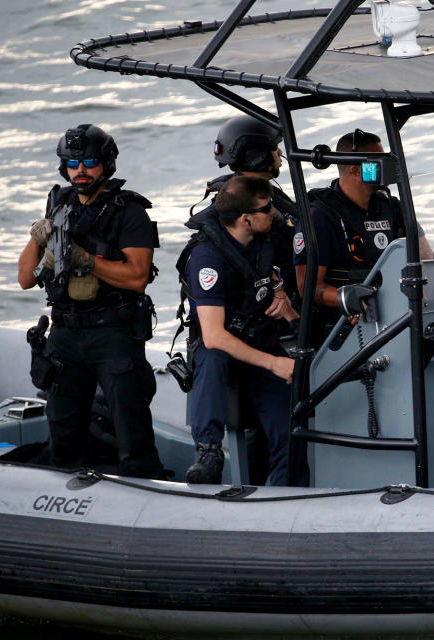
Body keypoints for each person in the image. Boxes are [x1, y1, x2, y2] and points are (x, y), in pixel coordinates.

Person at [17, 123, 163, 479]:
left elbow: (138, 277)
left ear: (106, 163)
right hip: (65, 334)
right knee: (62, 431)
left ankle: (143, 492)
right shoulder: (60, 204)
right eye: (72, 163)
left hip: (112, 333)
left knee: (132, 431)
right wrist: (39, 239)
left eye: (89, 161)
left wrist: (86, 260)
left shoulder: (129, 211)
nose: (80, 170)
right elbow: (25, 279)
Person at [177, 175, 298, 485]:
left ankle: (283, 493)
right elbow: (214, 334)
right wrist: (274, 363)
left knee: (289, 434)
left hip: (261, 339)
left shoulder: (265, 242)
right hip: (224, 347)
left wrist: (282, 298)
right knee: (213, 355)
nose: (274, 212)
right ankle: (209, 452)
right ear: (246, 219)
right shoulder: (207, 256)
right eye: (267, 208)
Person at [292, 128, 433, 343]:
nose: (386, 167)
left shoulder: (392, 206)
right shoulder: (320, 216)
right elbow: (307, 288)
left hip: (397, 313)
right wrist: (345, 297)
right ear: (355, 170)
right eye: (378, 162)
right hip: (347, 327)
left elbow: (427, 259)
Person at [194, 115, 299, 308]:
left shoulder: (272, 198)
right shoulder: (240, 210)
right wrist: (276, 288)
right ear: (257, 158)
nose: (280, 152)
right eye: (274, 147)